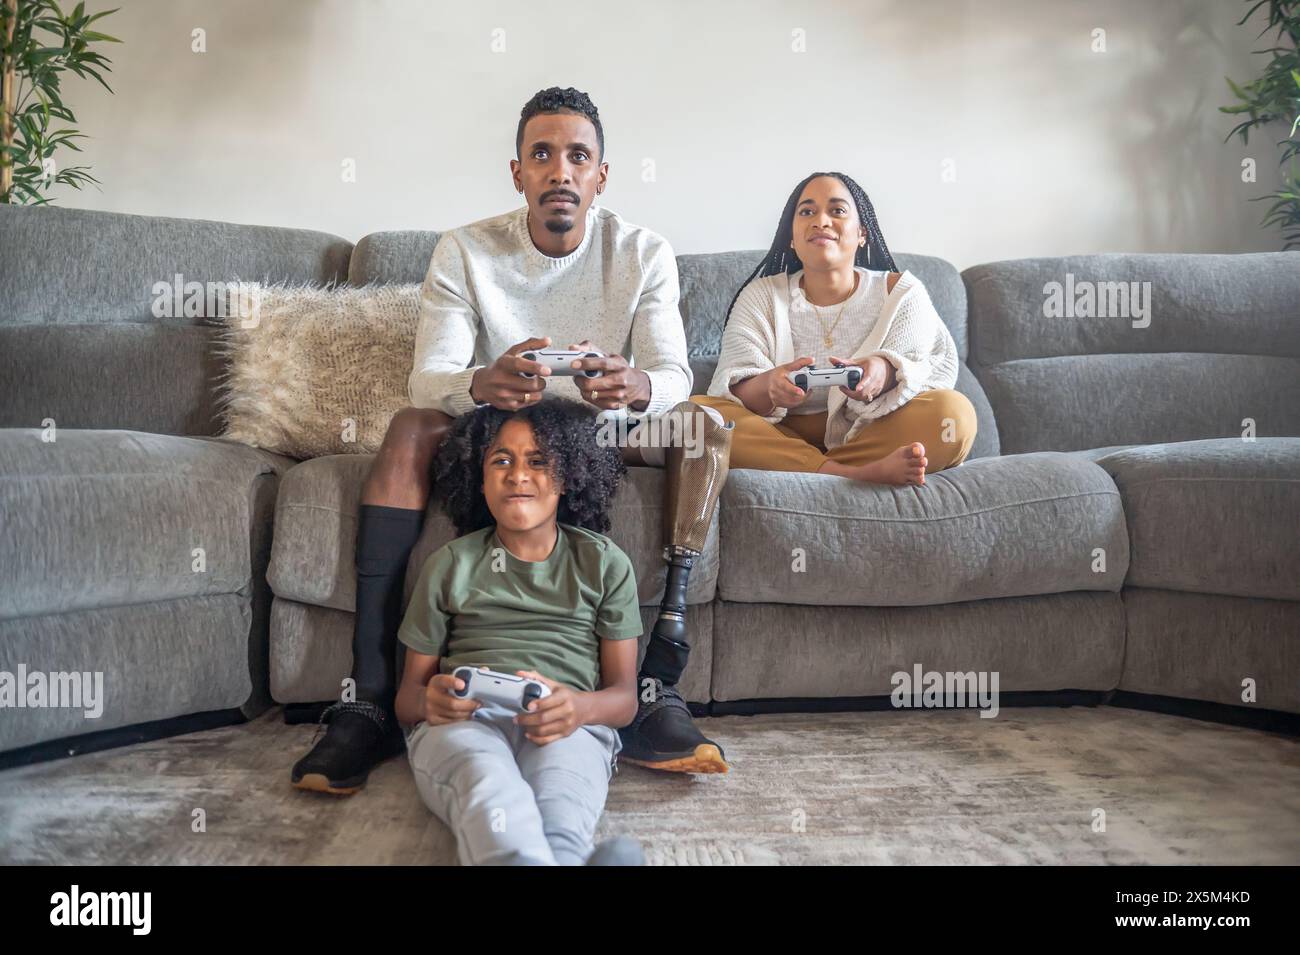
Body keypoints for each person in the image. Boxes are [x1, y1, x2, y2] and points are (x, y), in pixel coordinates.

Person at [291, 87, 733, 796]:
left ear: (601, 176)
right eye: (543, 154)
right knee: (409, 428)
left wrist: (633, 385)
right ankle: (370, 699)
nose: (561, 170)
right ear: (518, 172)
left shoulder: (645, 251)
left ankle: (657, 691)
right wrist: (482, 381)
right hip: (505, 424)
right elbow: (426, 378)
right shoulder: (465, 249)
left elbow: (676, 373)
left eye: (578, 156)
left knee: (705, 424)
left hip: (603, 427)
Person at [396, 401, 644, 865]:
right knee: (489, 791)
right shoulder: (450, 564)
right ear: (480, 477)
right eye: (501, 461)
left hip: (567, 721)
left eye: (538, 461)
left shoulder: (605, 563)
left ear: (567, 477)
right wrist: (432, 699)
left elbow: (625, 698)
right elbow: (407, 698)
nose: (518, 475)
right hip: (467, 723)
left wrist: (578, 707)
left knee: (561, 812)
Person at [692, 172, 976, 483]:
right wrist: (770, 386)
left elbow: (926, 368)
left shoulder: (901, 292)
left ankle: (811, 473)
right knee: (695, 416)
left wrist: (884, 370)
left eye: (837, 210)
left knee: (954, 415)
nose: (821, 221)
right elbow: (732, 388)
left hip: (870, 434)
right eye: (807, 212)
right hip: (778, 437)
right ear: (791, 235)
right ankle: (848, 475)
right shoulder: (762, 296)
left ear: (862, 233)